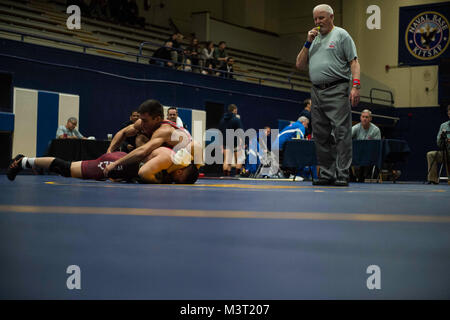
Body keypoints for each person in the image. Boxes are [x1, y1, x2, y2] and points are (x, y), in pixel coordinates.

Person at [295, 4, 360, 187]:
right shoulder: (313, 39)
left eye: (321, 18)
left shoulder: (341, 35)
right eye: (315, 19)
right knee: (321, 135)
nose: (317, 22)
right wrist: (307, 42)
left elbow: (354, 63)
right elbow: (299, 65)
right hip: (316, 91)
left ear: (331, 17)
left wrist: (355, 86)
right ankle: (326, 173)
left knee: (341, 133)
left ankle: (342, 173)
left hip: (337, 89)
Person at [7, 140, 202, 184]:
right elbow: (143, 174)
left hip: (120, 163)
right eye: (180, 180)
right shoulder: (168, 159)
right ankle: (23, 160)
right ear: (180, 172)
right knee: (66, 168)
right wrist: (161, 184)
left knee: (67, 168)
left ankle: (24, 161)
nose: (177, 181)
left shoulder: (176, 160)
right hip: (119, 163)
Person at [104, 99, 193, 178]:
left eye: (145, 121)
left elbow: (143, 151)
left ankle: (147, 171)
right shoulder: (142, 123)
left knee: (153, 151)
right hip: (169, 157)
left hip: (185, 161)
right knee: (140, 138)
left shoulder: (164, 130)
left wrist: (115, 163)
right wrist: (109, 151)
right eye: (141, 119)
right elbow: (122, 132)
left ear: (157, 119)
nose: (141, 123)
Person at [350, 109, 381, 182]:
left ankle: (362, 176)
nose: (364, 119)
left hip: (369, 155)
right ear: (360, 118)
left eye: (367, 117)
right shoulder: (356, 127)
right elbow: (347, 137)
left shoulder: (376, 130)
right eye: (363, 117)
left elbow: (377, 146)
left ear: (370, 119)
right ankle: (351, 177)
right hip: (356, 154)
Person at [426, 105, 450, 184]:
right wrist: (441, 138)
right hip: (445, 152)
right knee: (431, 154)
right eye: (449, 111)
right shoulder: (443, 125)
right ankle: (433, 179)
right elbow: (439, 144)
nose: (449, 112)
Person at [219, 104, 244, 176]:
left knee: (227, 160)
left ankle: (226, 176)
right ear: (235, 110)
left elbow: (220, 133)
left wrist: (221, 144)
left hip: (226, 142)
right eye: (236, 110)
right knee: (239, 159)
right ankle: (238, 175)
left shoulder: (222, 120)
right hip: (236, 142)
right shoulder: (236, 119)